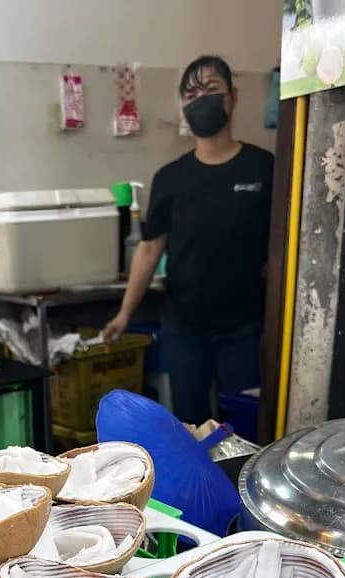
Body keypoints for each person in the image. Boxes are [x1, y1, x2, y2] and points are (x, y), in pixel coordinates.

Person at [104, 55, 274, 425]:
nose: (201, 99)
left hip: (244, 329)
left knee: (244, 429)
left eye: (211, 89)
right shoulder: (170, 178)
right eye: (191, 93)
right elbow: (149, 248)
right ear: (182, 106)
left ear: (233, 96)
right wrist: (125, 313)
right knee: (190, 428)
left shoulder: (264, 168)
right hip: (184, 330)